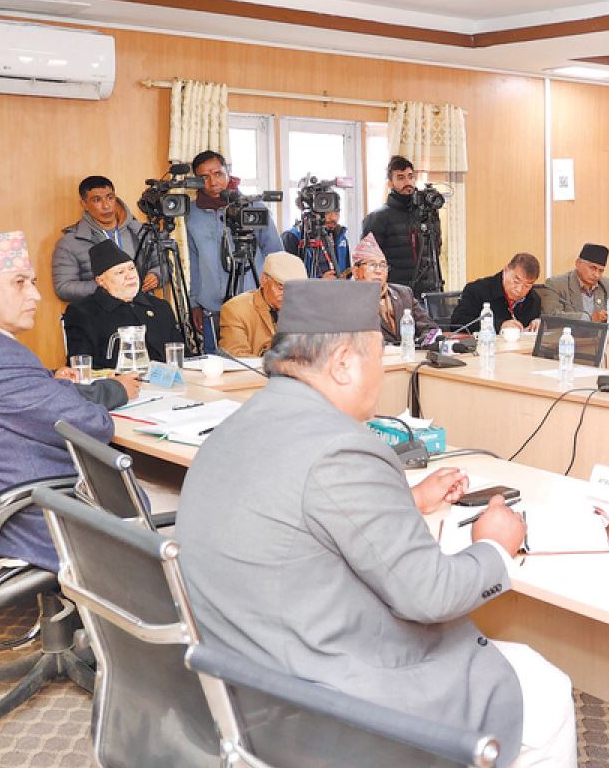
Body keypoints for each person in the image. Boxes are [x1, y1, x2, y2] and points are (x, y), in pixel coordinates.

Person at [175, 280, 576, 768]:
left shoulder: (237, 424)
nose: (383, 373)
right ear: (344, 363)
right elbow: (431, 595)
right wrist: (494, 546)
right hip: (324, 702)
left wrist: (405, 500)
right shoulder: (342, 448)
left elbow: (296, 511)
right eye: (378, 357)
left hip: (243, 682)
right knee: (545, 690)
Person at [0, 231, 138, 570]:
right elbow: (94, 425)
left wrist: (49, 382)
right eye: (20, 283)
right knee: (175, 498)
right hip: (37, 518)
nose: (36, 295)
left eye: (32, 282)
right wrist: (76, 394)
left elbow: (12, 393)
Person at [187, 150, 284, 352]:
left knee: (254, 362)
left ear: (228, 172)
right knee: (216, 364)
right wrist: (194, 302)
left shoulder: (252, 206)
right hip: (211, 308)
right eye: (204, 177)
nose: (213, 182)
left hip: (253, 306)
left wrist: (278, 297)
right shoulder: (192, 213)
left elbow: (275, 254)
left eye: (218, 174)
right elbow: (194, 260)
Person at [62, 240, 182, 370]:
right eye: (120, 272)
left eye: (131, 268)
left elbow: (181, 355)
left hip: (168, 379)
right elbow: (81, 367)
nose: (130, 276)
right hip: (115, 382)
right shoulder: (82, 313)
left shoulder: (160, 307)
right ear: (101, 281)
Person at [52, 175, 162, 303]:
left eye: (110, 198)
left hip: (141, 306)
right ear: (84, 204)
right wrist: (107, 284)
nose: (106, 206)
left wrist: (157, 275)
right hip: (99, 311)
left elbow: (164, 264)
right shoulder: (70, 242)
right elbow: (63, 288)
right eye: (97, 200)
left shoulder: (140, 231)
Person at [359, 155, 442, 296]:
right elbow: (368, 261)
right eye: (400, 178)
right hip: (395, 292)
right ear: (390, 183)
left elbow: (436, 248)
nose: (407, 182)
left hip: (429, 292)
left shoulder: (428, 213)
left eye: (410, 176)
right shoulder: (378, 218)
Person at [351, 234, 438, 346]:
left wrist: (423, 341)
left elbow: (430, 328)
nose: (379, 271)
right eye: (372, 265)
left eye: (383, 265)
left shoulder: (404, 293)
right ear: (356, 271)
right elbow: (357, 340)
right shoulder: (349, 301)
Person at [219, 251, 308, 358]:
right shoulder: (236, 310)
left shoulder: (303, 309)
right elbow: (236, 357)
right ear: (264, 280)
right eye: (281, 287)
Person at [452, 253, 543, 333]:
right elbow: (457, 323)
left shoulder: (534, 299)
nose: (519, 290)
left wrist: (537, 324)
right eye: (516, 281)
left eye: (527, 286)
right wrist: (499, 326)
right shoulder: (477, 290)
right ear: (506, 270)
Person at [541, 243, 609, 323]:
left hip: (601, 335)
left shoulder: (605, 284)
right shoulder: (556, 284)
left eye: (601, 271)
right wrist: (589, 318)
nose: (596, 275)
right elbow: (551, 315)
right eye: (592, 268)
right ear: (578, 263)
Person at [281, 209, 348, 279]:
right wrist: (319, 282)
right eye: (327, 212)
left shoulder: (341, 237)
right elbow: (287, 279)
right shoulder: (292, 237)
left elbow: (347, 273)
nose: (333, 218)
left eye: (337, 212)